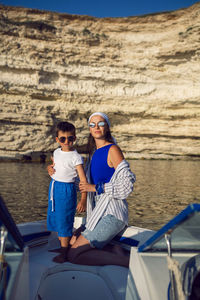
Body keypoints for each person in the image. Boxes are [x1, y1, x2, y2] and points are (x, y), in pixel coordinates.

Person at [66, 112, 136, 268]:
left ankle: (128, 261)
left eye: (101, 124)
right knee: (71, 241)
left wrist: (96, 187)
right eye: (92, 124)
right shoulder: (94, 154)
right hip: (97, 213)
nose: (96, 127)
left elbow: (127, 185)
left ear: (107, 127)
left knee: (73, 255)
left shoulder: (113, 150)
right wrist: (57, 172)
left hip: (113, 213)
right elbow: (83, 183)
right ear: (89, 129)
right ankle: (114, 249)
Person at [47, 121, 87, 263]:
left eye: (70, 138)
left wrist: (83, 199)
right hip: (54, 187)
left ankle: (64, 253)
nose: (67, 142)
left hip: (66, 190)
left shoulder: (76, 157)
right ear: (57, 140)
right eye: (63, 139)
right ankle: (63, 246)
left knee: (64, 219)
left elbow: (83, 180)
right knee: (57, 217)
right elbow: (54, 167)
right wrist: (49, 169)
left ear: (74, 139)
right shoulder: (56, 152)